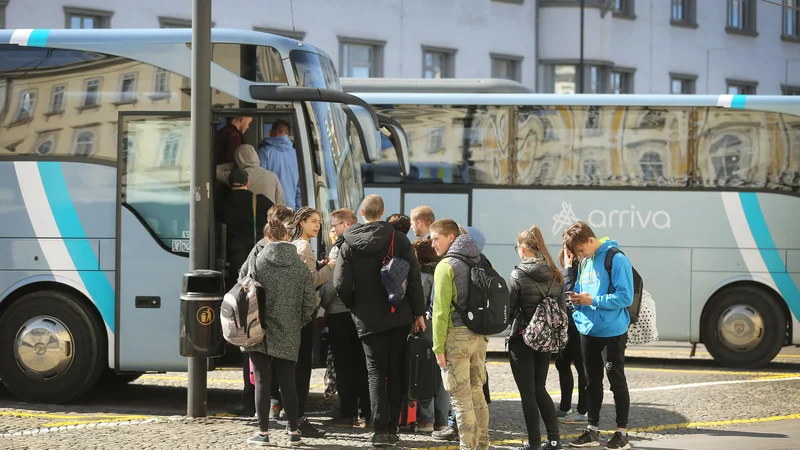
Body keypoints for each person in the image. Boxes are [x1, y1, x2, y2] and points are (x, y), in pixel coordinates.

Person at [334, 194, 426, 447]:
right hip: (398, 313)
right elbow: (415, 279)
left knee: (374, 372)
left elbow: (341, 283)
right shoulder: (399, 238)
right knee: (396, 370)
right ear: (383, 211)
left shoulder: (348, 242)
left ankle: (379, 430)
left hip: (367, 316)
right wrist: (419, 313)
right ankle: (393, 428)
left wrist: (356, 305)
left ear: (361, 213)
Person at [242, 217, 316, 446]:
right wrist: (297, 322)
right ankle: (294, 432)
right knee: (288, 382)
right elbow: (310, 304)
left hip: (259, 329)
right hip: (289, 329)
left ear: (266, 238)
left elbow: (244, 291)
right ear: (287, 237)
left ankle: (263, 434)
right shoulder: (300, 266)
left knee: (263, 382)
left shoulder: (256, 263)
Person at [563, 221, 634, 450]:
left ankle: (621, 433)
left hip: (612, 332)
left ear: (591, 240)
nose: (580, 256)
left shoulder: (617, 259)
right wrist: (577, 301)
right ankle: (592, 430)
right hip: (588, 329)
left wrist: (592, 300)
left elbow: (626, 298)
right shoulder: (585, 261)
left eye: (581, 250)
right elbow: (585, 290)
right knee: (591, 382)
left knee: (616, 381)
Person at [429, 219, 490, 450]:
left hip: (456, 338)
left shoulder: (447, 266)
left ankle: (467, 447)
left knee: (460, 399)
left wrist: (437, 347)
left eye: (437, 238)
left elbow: (440, 311)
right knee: (477, 395)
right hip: (479, 337)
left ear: (451, 238)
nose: (433, 243)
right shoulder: (480, 259)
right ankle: (482, 445)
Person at [219, 168, 273, 418]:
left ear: (230, 185)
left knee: (245, 333)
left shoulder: (223, 202)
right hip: (259, 269)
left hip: (237, 273)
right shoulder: (260, 202)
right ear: (248, 182)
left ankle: (247, 397)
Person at [508, 225, 565, 450]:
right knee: (540, 389)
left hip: (522, 338)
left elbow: (510, 310)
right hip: (545, 340)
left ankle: (533, 443)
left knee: (527, 394)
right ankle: (554, 440)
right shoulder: (555, 273)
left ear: (523, 249)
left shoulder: (519, 274)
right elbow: (561, 312)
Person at [288, 206, 335, 438]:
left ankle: (295, 417)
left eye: (319, 221)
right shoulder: (304, 246)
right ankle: (299, 418)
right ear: (302, 222)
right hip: (304, 314)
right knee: (303, 367)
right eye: (313, 221)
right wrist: (329, 267)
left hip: (294, 314)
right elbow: (311, 281)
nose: (317, 225)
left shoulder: (294, 243)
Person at [323, 209, 371, 428]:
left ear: (345, 225)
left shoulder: (339, 248)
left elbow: (333, 284)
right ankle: (366, 413)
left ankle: (347, 413)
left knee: (344, 366)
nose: (332, 229)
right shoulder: (367, 244)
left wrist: (323, 304)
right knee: (363, 364)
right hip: (362, 314)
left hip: (340, 313)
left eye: (334, 225)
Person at [413, 238, 451, 434]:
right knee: (442, 373)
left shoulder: (421, 276)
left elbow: (418, 304)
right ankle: (443, 420)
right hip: (444, 328)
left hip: (425, 329)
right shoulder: (445, 269)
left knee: (425, 373)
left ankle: (426, 420)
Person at [555, 245, 588, 425]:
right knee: (563, 364)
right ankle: (565, 406)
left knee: (581, 368)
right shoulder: (567, 271)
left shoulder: (583, 269)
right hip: (567, 326)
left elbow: (570, 294)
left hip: (579, 326)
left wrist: (567, 270)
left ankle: (583, 410)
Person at [217, 144, 285, 206]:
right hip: (267, 218)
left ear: (238, 159)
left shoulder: (236, 176)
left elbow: (215, 171)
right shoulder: (273, 176)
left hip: (243, 218)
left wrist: (234, 164)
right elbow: (280, 203)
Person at [258, 119, 302, 209]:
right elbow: (299, 188)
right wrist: (297, 210)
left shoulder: (264, 152)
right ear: (288, 136)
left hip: (270, 207)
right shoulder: (296, 154)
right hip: (290, 207)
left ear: (270, 133)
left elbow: (260, 180)